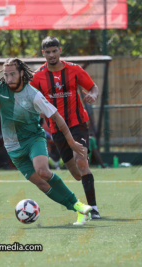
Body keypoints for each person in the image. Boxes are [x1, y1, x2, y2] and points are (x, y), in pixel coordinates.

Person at [0, 58, 92, 225]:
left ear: (21, 73)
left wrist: (70, 142)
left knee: (43, 172)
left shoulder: (33, 94)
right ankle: (79, 209)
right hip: (13, 148)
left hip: (34, 139)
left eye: (12, 74)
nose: (9, 78)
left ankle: (79, 205)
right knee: (42, 185)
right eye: (6, 75)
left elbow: (56, 116)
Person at [30, 36, 101, 219]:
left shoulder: (74, 70)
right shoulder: (37, 77)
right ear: (43, 53)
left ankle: (93, 208)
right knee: (77, 174)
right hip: (56, 130)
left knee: (81, 161)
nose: (52, 55)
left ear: (60, 51)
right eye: (48, 52)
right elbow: (29, 99)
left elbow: (93, 88)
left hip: (77, 124)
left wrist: (93, 95)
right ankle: (84, 172)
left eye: (55, 51)